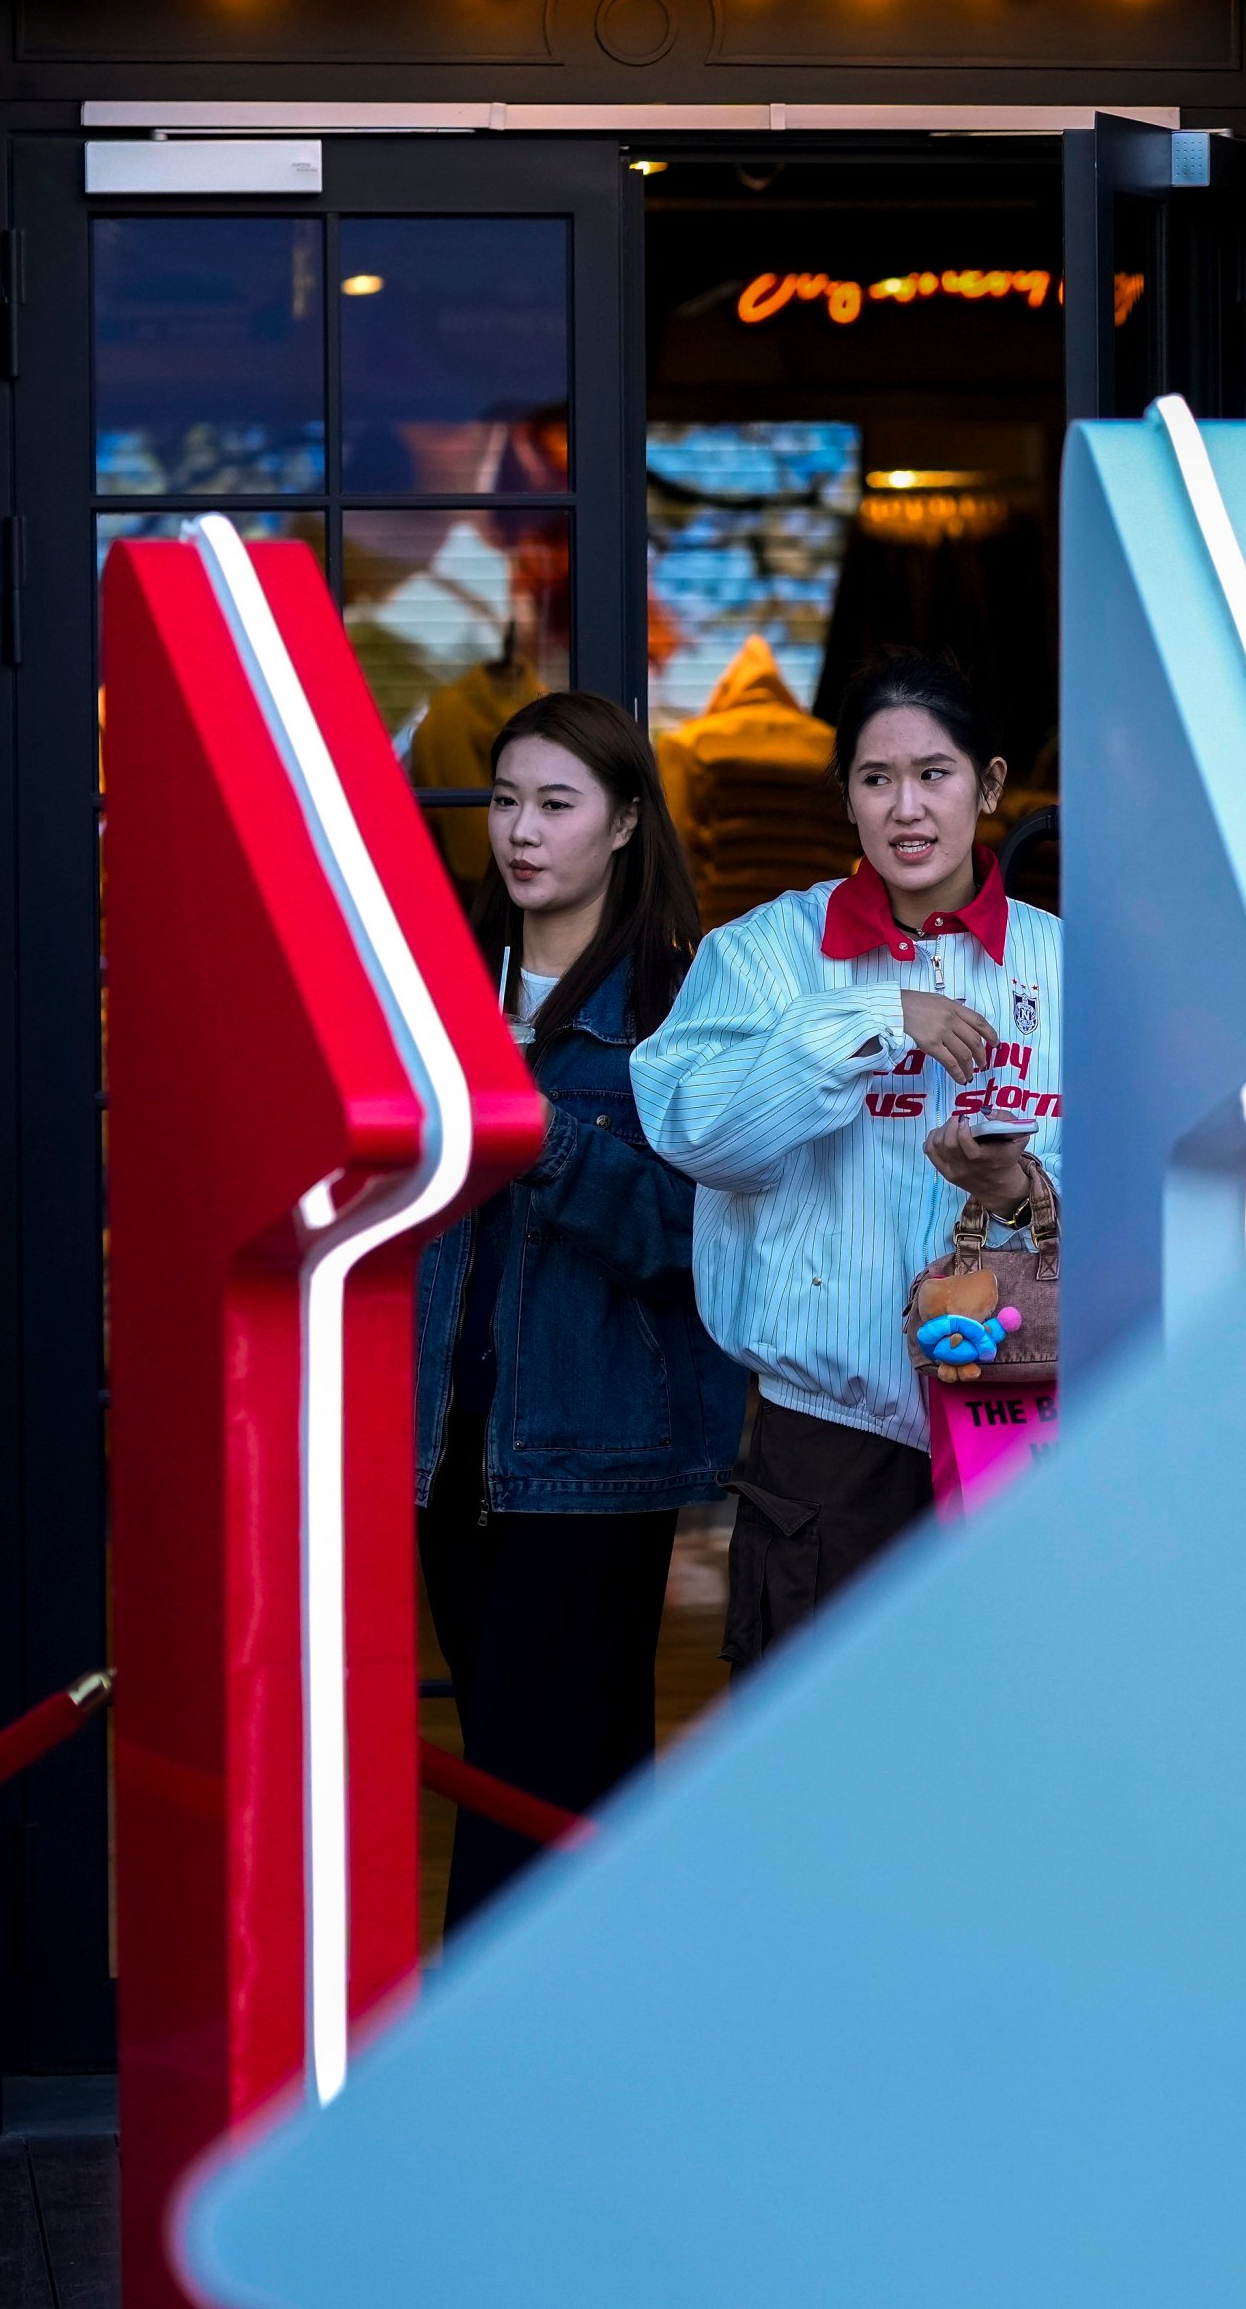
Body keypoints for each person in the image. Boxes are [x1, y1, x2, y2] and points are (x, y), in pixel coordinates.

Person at [634, 652, 1064, 1670]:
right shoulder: (763, 954)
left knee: (998, 1751)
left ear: (990, 786)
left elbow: (1140, 1191)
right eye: (877, 780)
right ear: (847, 800)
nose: (906, 808)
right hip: (827, 1446)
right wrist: (874, 1016)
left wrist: (1018, 1187)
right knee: (816, 1793)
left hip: (1024, 1429)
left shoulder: (1066, 966)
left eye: (936, 774)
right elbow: (696, 1132)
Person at [414, 691, 742, 1931]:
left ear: (622, 826)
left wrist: (545, 1135)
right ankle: (607, 2016)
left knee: (528, 1777)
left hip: (601, 1452)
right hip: (448, 1445)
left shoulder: (676, 1007)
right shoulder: (438, 981)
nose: (522, 831)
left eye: (557, 804)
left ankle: (482, 2057)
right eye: (506, 800)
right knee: (558, 1768)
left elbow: (691, 1240)